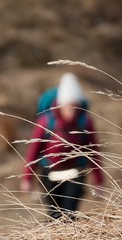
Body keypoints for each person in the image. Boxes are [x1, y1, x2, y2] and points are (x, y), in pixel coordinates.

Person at [20, 72, 104, 220]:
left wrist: (99, 181)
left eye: (74, 106)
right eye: (68, 106)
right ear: (60, 104)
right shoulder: (46, 122)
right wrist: (27, 178)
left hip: (75, 174)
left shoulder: (85, 122)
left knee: (69, 215)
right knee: (54, 215)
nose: (71, 110)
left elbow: (93, 151)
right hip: (49, 174)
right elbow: (33, 151)